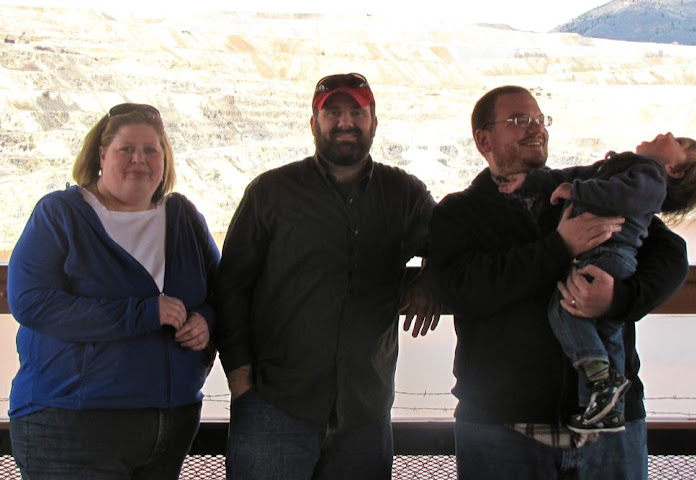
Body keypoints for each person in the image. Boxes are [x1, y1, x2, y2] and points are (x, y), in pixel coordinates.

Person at [430, 85, 690, 479]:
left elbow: (671, 255)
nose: (536, 128)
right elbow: (460, 290)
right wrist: (559, 247)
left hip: (612, 435)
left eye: (540, 119)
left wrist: (618, 299)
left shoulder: (583, 195)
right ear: (484, 140)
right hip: (500, 433)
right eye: (519, 120)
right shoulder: (458, 212)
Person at [214, 72, 442, 480]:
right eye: (332, 112)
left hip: (365, 413)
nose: (345, 122)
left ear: (374, 122)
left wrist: (430, 278)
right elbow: (231, 286)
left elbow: (453, 244)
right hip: (275, 406)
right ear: (314, 123)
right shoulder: (271, 192)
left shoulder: (403, 193)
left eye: (357, 112)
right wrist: (240, 378)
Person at [7, 103, 220, 479]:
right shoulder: (60, 214)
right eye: (126, 149)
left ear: (165, 158)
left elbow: (222, 293)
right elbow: (31, 302)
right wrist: (143, 313)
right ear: (101, 154)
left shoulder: (184, 217)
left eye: (151, 149)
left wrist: (205, 320)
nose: (140, 159)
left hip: (170, 428)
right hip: (71, 428)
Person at [498, 134, 696, 434]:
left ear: (673, 170)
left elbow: (613, 192)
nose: (666, 134)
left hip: (607, 254)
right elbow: (573, 175)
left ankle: (601, 377)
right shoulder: (622, 170)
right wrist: (535, 181)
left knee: (563, 309)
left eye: (678, 142)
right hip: (605, 256)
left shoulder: (648, 177)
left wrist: (576, 192)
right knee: (606, 328)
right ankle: (607, 408)